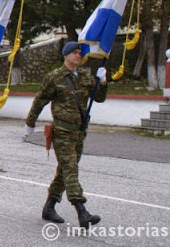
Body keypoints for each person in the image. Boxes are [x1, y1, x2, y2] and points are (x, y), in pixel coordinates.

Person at [23, 41, 107, 228]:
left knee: (64, 171)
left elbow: (99, 98)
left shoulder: (85, 75)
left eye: (79, 53)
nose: (78, 55)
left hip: (79, 131)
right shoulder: (55, 77)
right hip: (62, 131)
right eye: (74, 53)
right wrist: (30, 123)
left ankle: (49, 207)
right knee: (70, 168)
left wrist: (102, 82)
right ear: (66, 55)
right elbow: (40, 101)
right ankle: (82, 211)